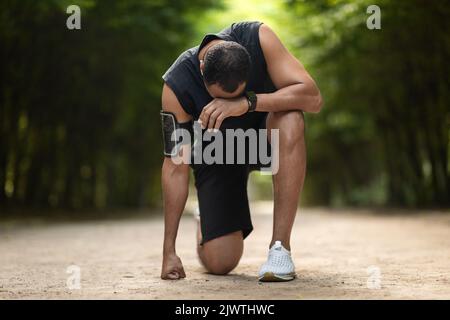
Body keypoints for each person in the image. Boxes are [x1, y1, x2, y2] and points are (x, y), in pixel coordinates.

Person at [160, 21, 322, 282]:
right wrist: (169, 251)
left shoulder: (259, 38)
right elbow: (175, 167)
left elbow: (313, 98)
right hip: (217, 151)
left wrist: (247, 102)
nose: (226, 103)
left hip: (265, 131)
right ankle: (206, 218)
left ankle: (280, 249)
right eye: (219, 98)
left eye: (233, 95)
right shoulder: (176, 85)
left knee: (292, 118)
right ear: (202, 71)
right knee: (221, 262)